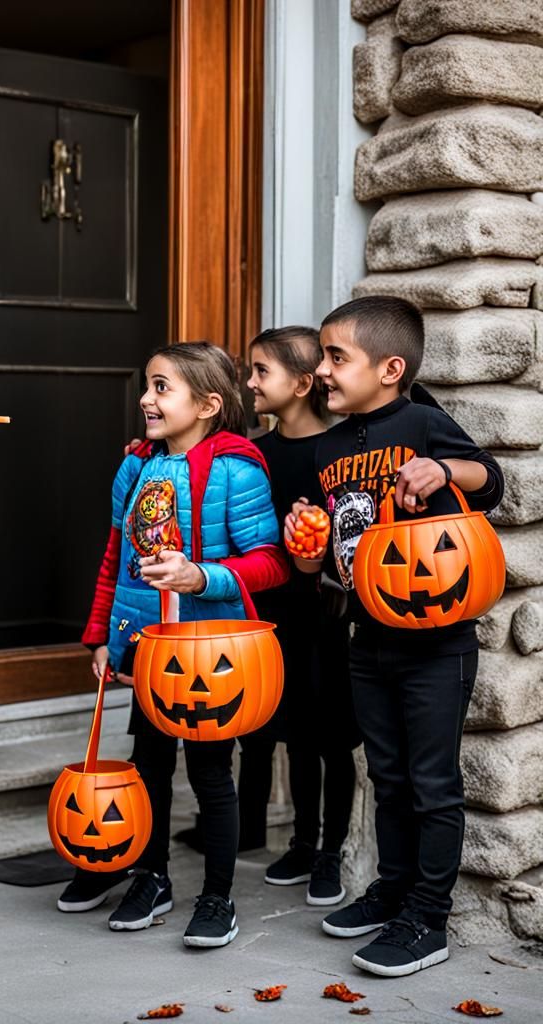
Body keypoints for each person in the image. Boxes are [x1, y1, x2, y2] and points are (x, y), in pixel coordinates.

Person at [286, 296, 504, 977]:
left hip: (437, 642)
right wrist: (306, 547)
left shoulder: (423, 423)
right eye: (322, 356)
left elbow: (490, 480)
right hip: (366, 637)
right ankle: (391, 890)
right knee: (385, 775)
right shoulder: (326, 447)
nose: (322, 369)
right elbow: (325, 560)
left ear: (390, 368)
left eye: (335, 357)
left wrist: (444, 470)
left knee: (432, 782)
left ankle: (426, 919)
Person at [61, 342, 288, 948]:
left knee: (212, 773)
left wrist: (201, 577)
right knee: (150, 765)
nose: (146, 398)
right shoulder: (137, 465)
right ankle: (152, 876)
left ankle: (218, 898)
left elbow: (271, 562)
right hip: (146, 643)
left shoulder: (236, 469)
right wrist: (102, 637)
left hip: (207, 652)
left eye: (162, 387)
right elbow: (117, 555)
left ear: (208, 404)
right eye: (147, 385)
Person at [239, 327, 359, 905]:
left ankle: (333, 849)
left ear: (302, 383)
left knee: (331, 735)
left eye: (261, 371)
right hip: (271, 611)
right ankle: (304, 842)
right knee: (295, 734)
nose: (250, 382)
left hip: (327, 612)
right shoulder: (254, 454)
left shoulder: (339, 453)